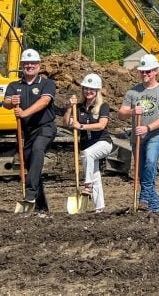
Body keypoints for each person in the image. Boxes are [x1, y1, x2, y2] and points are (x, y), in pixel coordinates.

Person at [117, 54, 159, 213]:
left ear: (155, 71)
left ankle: (143, 198)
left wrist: (148, 128)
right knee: (143, 173)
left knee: (150, 163)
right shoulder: (133, 92)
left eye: (148, 71)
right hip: (137, 139)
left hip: (155, 136)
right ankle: (154, 210)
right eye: (142, 71)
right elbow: (121, 113)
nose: (145, 74)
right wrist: (133, 111)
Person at [3, 49, 57, 212]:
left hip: (45, 127)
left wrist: (24, 112)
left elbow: (45, 101)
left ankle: (30, 194)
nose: (30, 66)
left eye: (33, 63)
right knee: (31, 165)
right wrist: (11, 102)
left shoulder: (47, 83)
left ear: (39, 65)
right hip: (27, 132)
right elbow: (5, 103)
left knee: (38, 149)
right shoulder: (14, 85)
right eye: (26, 63)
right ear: (22, 66)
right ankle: (41, 207)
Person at [63, 73, 112, 213]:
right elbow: (67, 123)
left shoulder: (103, 106)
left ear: (97, 91)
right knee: (94, 172)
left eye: (92, 89)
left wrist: (82, 127)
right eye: (86, 88)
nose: (88, 92)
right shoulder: (78, 108)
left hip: (103, 143)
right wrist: (68, 108)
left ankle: (88, 185)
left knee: (88, 154)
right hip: (87, 145)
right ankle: (99, 207)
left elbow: (101, 125)